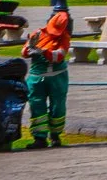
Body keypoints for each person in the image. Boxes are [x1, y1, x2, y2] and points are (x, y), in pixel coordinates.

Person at [25, 8, 72, 149]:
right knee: (36, 104)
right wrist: (29, 49)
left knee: (58, 106)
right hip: (36, 77)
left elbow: (59, 55)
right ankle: (39, 138)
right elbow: (24, 52)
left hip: (57, 78)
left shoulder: (64, 38)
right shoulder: (38, 34)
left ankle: (55, 136)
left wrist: (43, 51)